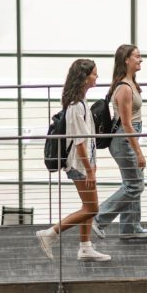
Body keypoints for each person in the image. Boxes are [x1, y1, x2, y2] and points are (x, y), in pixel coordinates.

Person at [36, 59, 111, 262]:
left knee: (88, 205)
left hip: (84, 163)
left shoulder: (80, 103)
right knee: (92, 208)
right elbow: (79, 143)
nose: (97, 77)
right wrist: (90, 170)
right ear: (84, 78)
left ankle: (85, 248)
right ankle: (49, 234)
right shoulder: (76, 106)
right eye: (94, 74)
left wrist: (92, 164)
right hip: (79, 165)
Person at [92, 44, 147, 240]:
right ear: (126, 59)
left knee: (132, 181)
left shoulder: (130, 82)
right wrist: (139, 153)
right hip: (124, 139)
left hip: (129, 137)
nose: (141, 59)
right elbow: (126, 124)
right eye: (137, 56)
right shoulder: (124, 88)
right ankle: (99, 218)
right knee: (135, 185)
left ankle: (130, 227)